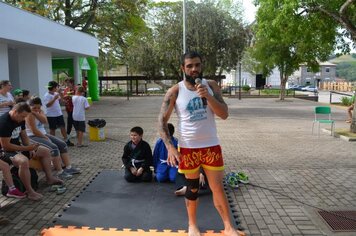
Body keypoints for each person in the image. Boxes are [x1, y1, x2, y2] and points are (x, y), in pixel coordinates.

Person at [158, 51, 245, 236]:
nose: (194, 69)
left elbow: (224, 114)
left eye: (197, 65)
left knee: (217, 188)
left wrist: (208, 96)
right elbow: (161, 122)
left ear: (201, 65)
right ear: (183, 68)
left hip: (211, 146)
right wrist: (170, 147)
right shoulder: (175, 91)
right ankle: (192, 225)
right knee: (192, 188)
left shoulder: (211, 86)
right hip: (188, 148)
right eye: (189, 66)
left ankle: (229, 226)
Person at [25, 96, 79, 177]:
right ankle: (59, 171)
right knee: (53, 148)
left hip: (42, 134)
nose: (36, 109)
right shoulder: (29, 115)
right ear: (29, 106)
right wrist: (45, 137)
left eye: (38, 107)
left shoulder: (39, 111)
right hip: (32, 136)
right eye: (34, 108)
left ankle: (68, 167)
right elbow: (34, 131)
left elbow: (45, 121)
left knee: (62, 145)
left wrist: (36, 112)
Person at [0, 102, 44, 200]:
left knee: (45, 151)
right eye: (22, 116)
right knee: (23, 161)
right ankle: (30, 191)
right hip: (4, 151)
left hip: (16, 147)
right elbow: (6, 146)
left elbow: (24, 136)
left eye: (25, 117)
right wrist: (27, 149)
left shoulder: (20, 119)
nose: (23, 119)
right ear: (15, 112)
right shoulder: (4, 122)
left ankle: (49, 178)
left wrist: (30, 147)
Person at [43, 81, 74, 146]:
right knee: (52, 129)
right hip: (51, 115)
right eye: (57, 87)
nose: (57, 88)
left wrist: (62, 95)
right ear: (54, 87)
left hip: (59, 114)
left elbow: (61, 101)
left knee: (62, 127)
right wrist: (54, 99)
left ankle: (66, 140)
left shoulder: (56, 93)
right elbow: (47, 105)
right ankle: (52, 142)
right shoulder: (46, 95)